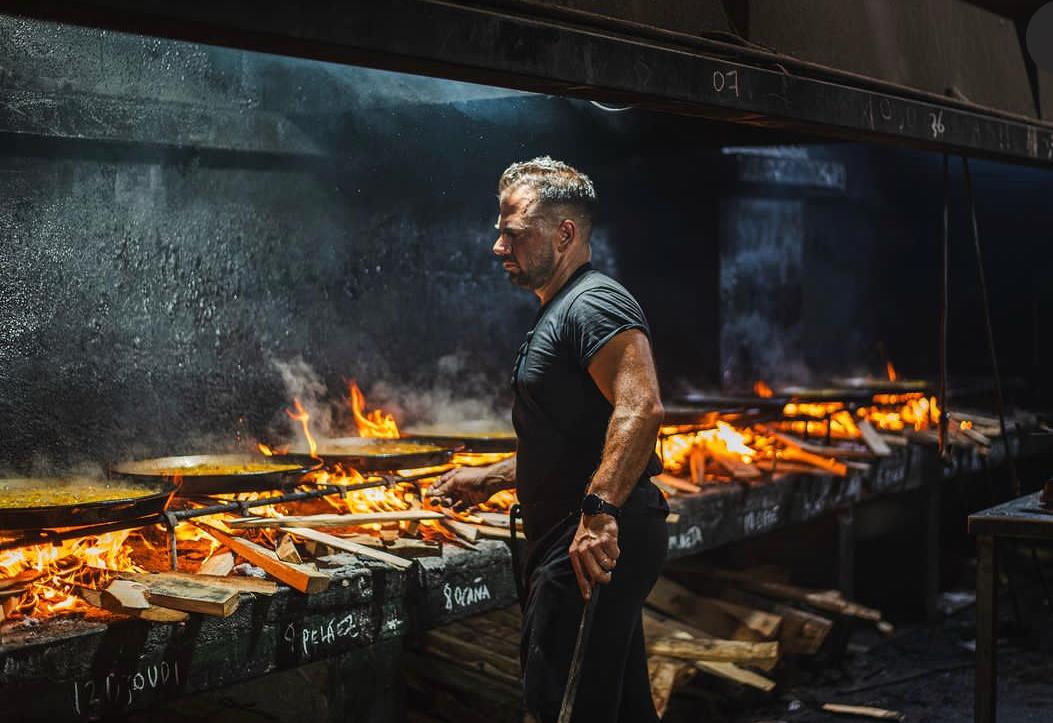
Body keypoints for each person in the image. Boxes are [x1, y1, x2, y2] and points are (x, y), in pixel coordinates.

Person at [428, 157, 668, 722]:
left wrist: (599, 511)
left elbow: (642, 406)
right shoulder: (562, 309)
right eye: (499, 232)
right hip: (582, 534)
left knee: (559, 706)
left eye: (513, 233)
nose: (498, 247)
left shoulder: (594, 303)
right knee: (622, 707)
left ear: (564, 234)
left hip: (586, 540)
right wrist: (486, 479)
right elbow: (577, 439)